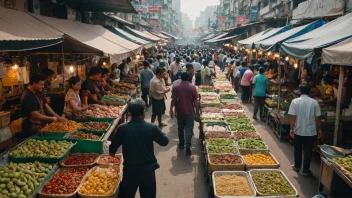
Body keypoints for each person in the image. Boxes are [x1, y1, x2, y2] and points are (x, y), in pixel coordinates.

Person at [109, 98, 169, 198]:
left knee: (126, 195)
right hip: (148, 171)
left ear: (129, 114)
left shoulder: (123, 128)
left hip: (130, 170)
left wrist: (113, 154)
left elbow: (112, 148)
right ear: (143, 112)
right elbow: (165, 142)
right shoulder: (151, 128)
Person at [288, 84, 322, 176]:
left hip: (298, 130)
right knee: (308, 151)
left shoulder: (295, 101)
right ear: (310, 91)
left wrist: (291, 129)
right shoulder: (314, 102)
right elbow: (318, 118)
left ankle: (297, 166)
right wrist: (320, 129)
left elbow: (293, 117)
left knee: (297, 149)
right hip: (311, 132)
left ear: (300, 91)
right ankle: (305, 170)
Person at [21, 73, 66, 138]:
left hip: (41, 126)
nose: (43, 86)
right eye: (41, 84)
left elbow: (46, 105)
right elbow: (35, 114)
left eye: (43, 84)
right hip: (31, 129)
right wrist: (51, 118)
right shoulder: (28, 96)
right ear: (34, 84)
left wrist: (58, 117)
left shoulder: (38, 92)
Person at [170, 72, 200, 155]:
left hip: (180, 111)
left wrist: (171, 109)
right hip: (190, 112)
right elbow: (195, 101)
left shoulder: (176, 87)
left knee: (180, 128)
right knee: (189, 129)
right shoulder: (192, 87)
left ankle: (181, 144)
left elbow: (173, 100)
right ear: (188, 78)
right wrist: (197, 112)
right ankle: (188, 145)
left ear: (181, 78)